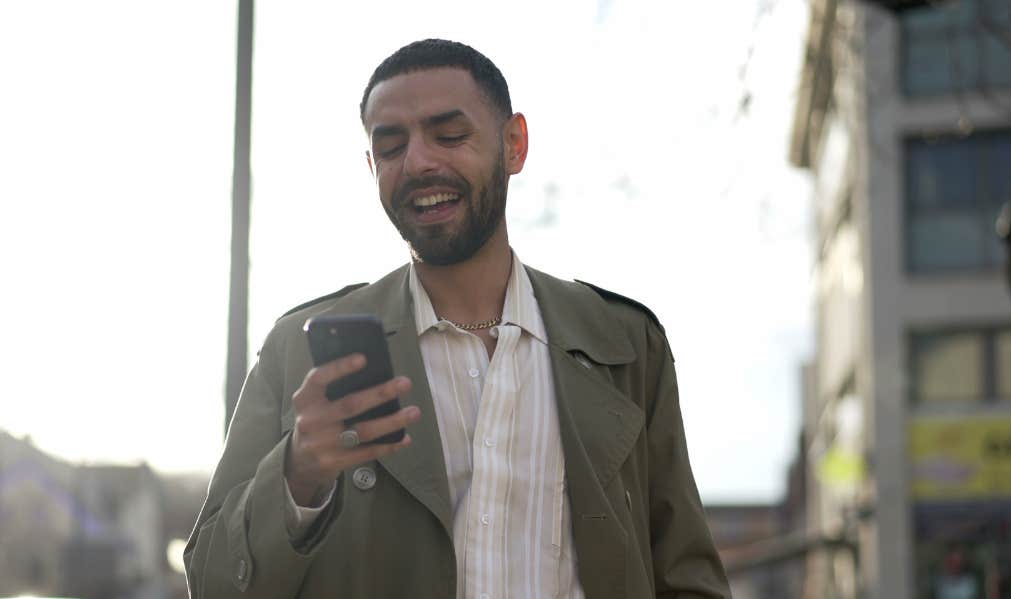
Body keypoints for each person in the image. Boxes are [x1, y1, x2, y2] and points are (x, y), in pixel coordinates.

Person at [184, 38, 731, 599]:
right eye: (391, 146)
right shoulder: (298, 352)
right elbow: (212, 583)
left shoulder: (624, 344)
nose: (419, 162)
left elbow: (687, 577)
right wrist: (298, 474)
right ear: (372, 167)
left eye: (449, 135)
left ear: (514, 145)